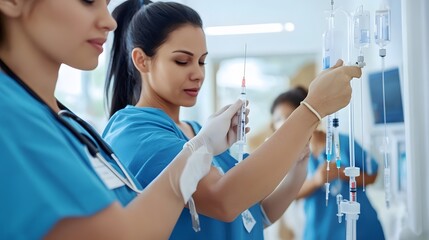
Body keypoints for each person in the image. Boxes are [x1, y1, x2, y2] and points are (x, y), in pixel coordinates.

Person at [103, 1, 361, 239]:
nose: (197, 74)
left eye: (202, 62)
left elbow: (256, 213)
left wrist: (297, 167)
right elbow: (223, 201)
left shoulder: (196, 131)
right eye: (182, 61)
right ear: (141, 60)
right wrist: (311, 110)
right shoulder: (134, 133)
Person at [0, 0, 246, 239]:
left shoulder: (64, 122)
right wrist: (198, 151)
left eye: (106, 4)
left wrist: (200, 148)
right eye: (87, 1)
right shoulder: (10, 115)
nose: (110, 22)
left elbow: (129, 222)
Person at [270, 86, 385, 240]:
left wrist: (342, 173)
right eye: (278, 119)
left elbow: (372, 175)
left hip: (362, 229)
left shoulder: (343, 143)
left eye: (289, 116)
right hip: (320, 233)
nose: (284, 123)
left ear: (309, 115)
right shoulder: (289, 157)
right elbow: (289, 195)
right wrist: (316, 181)